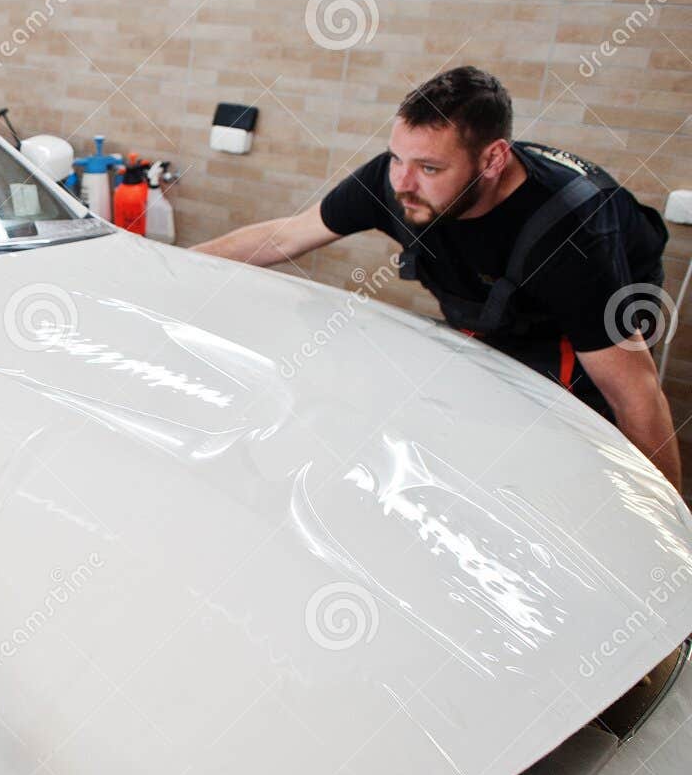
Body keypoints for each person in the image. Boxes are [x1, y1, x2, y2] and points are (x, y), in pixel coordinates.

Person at [195, 66, 678, 490]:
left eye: (429, 167)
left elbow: (635, 395)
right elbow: (284, 237)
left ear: (492, 160)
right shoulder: (396, 180)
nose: (402, 182)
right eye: (397, 158)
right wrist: (162, 261)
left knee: (569, 451)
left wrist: (672, 543)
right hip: (494, 304)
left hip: (581, 322)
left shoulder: (572, 236)